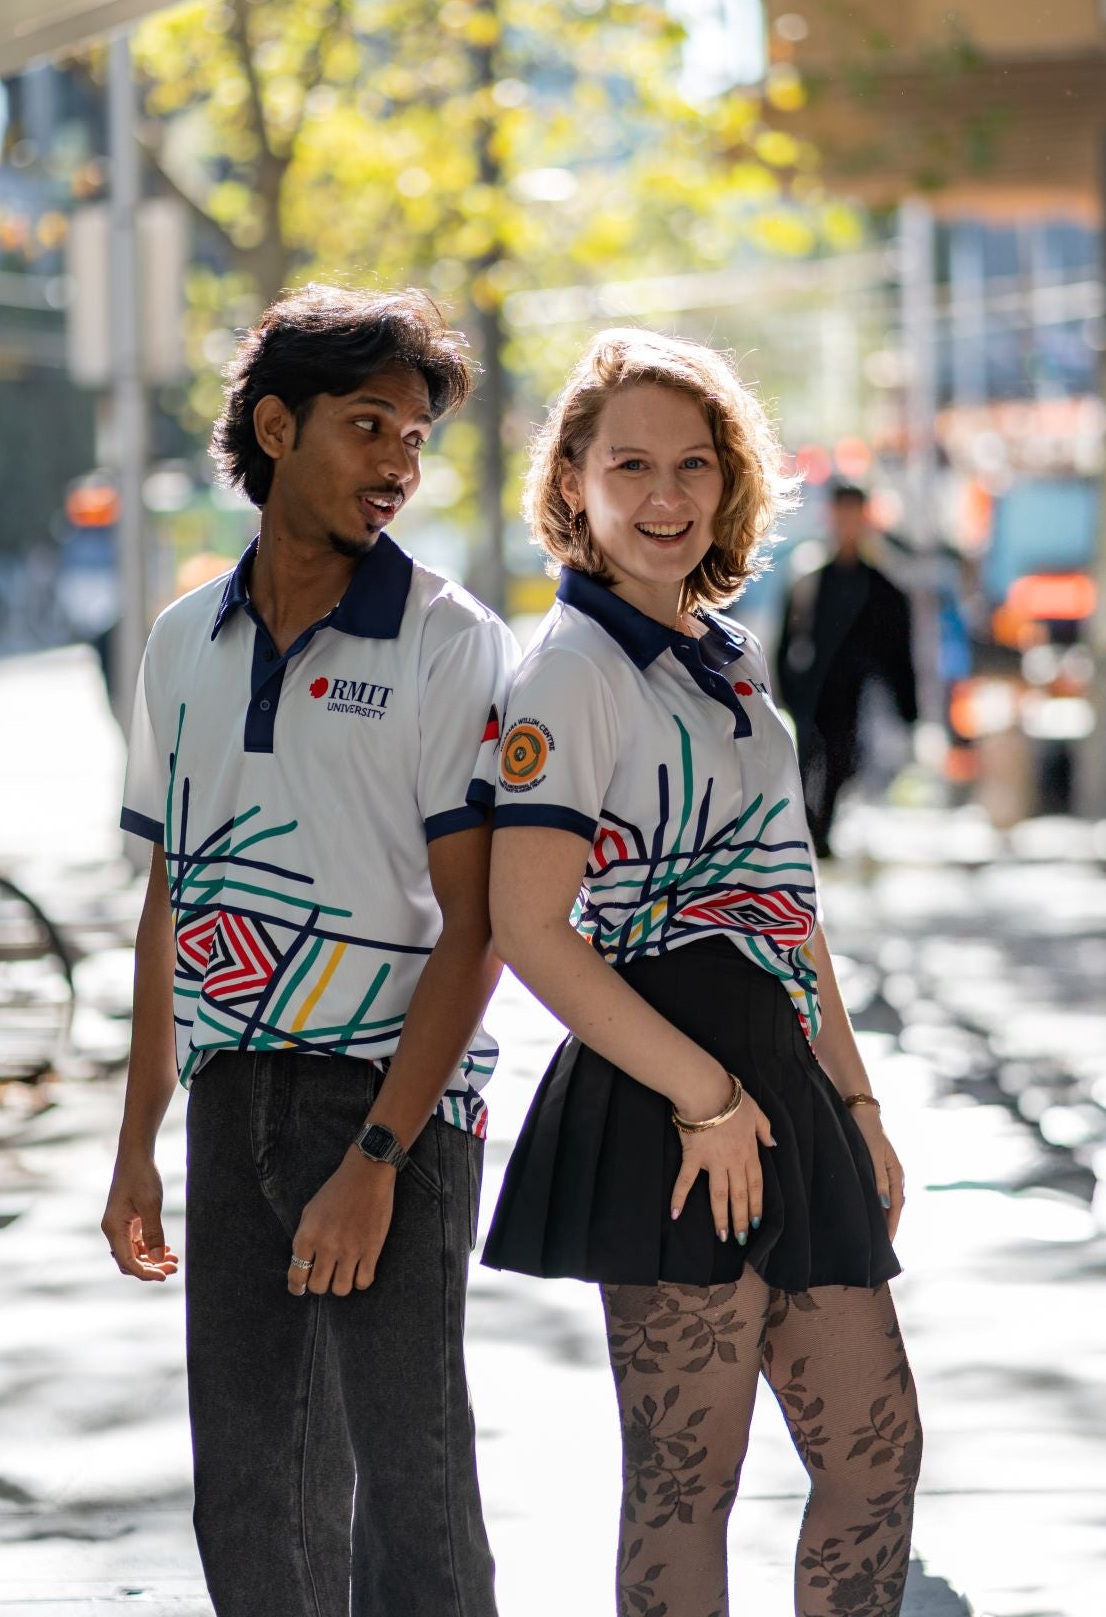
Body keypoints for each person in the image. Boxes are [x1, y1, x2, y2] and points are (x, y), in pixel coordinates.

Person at [482, 331, 919, 1617]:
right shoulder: (572, 670)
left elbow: (787, 906)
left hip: (780, 1075)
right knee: (686, 1484)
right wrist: (705, 1097)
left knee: (874, 1456)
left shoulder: (724, 654)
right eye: (630, 466)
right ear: (573, 479)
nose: (664, 496)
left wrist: (855, 1099)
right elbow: (527, 923)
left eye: (693, 464)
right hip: (666, 1094)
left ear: (731, 481)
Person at [100, 285, 515, 1617]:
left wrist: (380, 1159)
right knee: (252, 1503)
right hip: (231, 1104)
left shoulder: (452, 642)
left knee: (413, 1500)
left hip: (391, 1104)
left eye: (415, 435)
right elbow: (171, 900)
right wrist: (134, 1149)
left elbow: (479, 922)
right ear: (275, 427)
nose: (399, 461)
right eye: (369, 425)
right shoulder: (181, 643)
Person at [775, 482, 918, 858]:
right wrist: (784, 689)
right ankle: (805, 834)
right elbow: (787, 638)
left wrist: (908, 707)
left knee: (841, 761)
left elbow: (896, 648)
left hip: (851, 693)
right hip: (811, 691)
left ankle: (819, 834)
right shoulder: (809, 577)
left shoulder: (879, 585)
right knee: (805, 760)